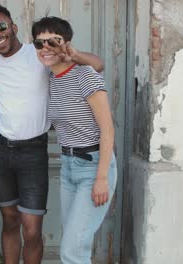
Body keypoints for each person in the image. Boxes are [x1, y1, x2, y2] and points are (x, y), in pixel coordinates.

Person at [0, 5, 104, 264]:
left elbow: (98, 65)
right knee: (10, 221)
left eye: (1, 26)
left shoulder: (38, 54)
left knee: (32, 229)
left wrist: (72, 52)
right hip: (0, 151)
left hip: (33, 151)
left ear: (13, 26)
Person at [32, 16, 117, 264]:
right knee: (75, 246)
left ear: (66, 44)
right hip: (68, 167)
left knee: (72, 251)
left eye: (53, 41)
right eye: (39, 43)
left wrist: (102, 178)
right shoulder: (50, 79)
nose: (45, 48)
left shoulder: (85, 75)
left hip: (94, 167)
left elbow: (108, 128)